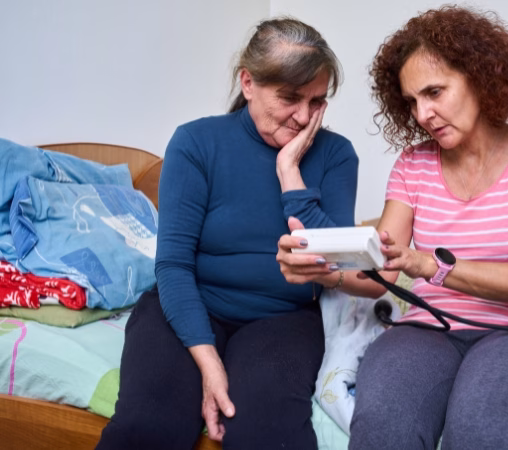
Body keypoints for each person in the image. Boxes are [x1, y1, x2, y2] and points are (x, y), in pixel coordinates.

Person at [276, 5, 508, 449]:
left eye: (435, 92)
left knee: (478, 427)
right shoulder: (413, 165)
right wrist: (320, 270)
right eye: (412, 101)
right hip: (427, 328)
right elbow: (382, 271)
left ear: (481, 77)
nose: (422, 114)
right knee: (382, 424)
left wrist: (429, 265)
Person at [96, 17, 358, 450]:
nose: (304, 116)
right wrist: (209, 361)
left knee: (266, 435)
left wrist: (290, 173)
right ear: (248, 82)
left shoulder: (335, 155)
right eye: (290, 98)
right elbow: (174, 265)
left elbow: (336, 260)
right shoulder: (196, 143)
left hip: (284, 317)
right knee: (146, 428)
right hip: (185, 304)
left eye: (317, 101)